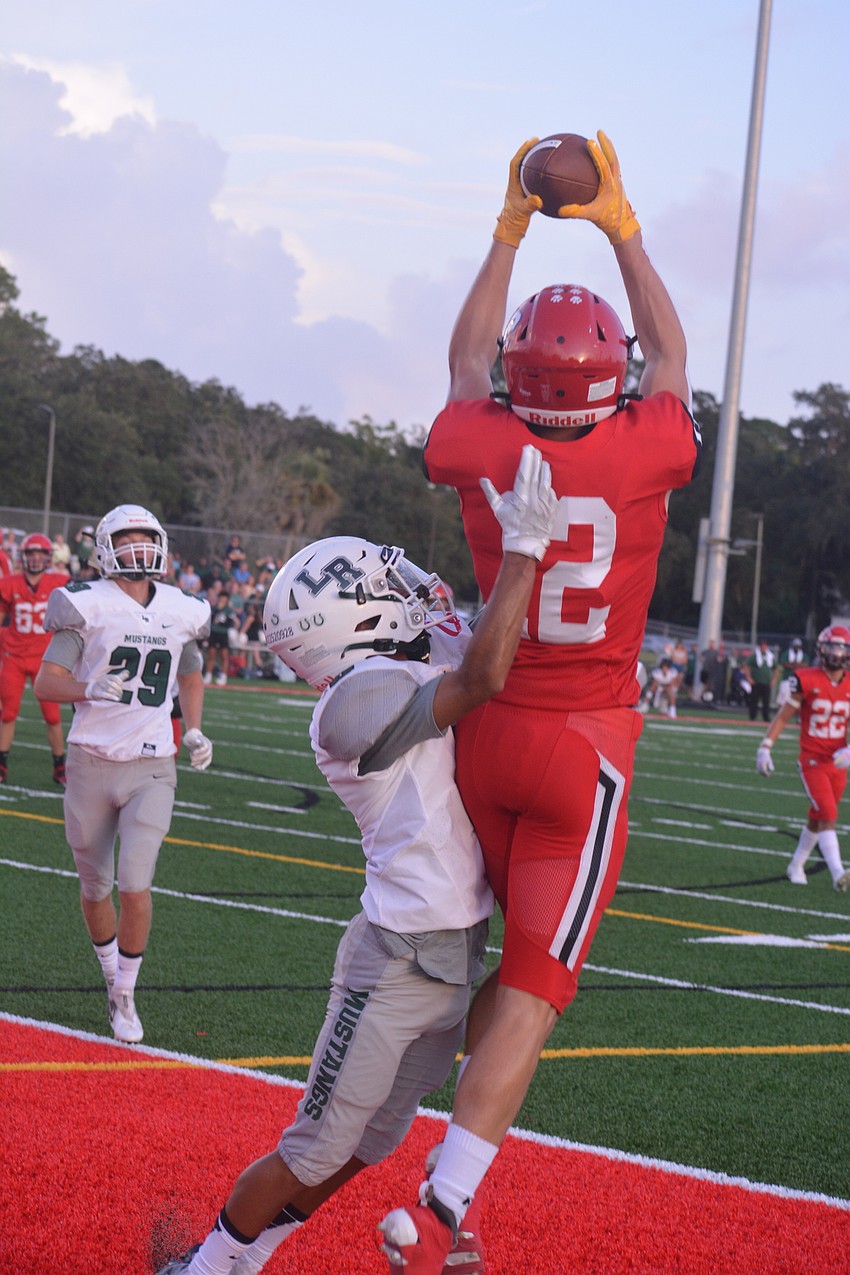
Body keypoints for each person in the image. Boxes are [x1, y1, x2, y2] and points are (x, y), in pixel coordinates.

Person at [379, 130, 701, 1271]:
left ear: (522, 371)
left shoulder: (477, 436)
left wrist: (508, 229)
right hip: (583, 745)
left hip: (482, 725)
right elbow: (668, 353)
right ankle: (442, 1209)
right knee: (531, 985)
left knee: (467, 960)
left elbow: (466, 371)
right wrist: (620, 227)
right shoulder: (647, 445)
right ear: (609, 378)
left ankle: (395, 1132)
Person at [156, 447, 557, 1275]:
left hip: (451, 950)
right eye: (383, 585)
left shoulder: (391, 660)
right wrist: (523, 552)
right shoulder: (351, 704)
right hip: (397, 963)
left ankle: (247, 1252)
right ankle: (205, 1265)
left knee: (370, 1145)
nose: (407, 588)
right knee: (313, 1146)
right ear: (350, 619)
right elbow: (483, 671)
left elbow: (492, 642)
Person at [33, 504, 214, 1044]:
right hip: (91, 760)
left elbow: (191, 676)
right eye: (127, 539)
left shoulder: (181, 610)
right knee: (96, 886)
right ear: (106, 549)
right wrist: (87, 688)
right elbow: (46, 683)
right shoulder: (87, 606)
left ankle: (126, 993)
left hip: (153, 762)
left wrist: (197, 730)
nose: (139, 549)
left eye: (146, 539)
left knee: (136, 881)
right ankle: (110, 976)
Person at [756, 625, 850, 892]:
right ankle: (838, 873)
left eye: (842, 647)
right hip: (812, 760)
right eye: (832, 646)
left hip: (838, 762)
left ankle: (796, 865)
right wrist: (765, 746)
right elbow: (784, 715)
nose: (837, 653)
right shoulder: (806, 679)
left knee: (816, 817)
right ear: (821, 649)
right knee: (829, 813)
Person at [0, 532, 70, 785]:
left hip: (45, 659)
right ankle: (2, 764)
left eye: (41, 553)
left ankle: (60, 766)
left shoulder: (59, 582)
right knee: (7, 714)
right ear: (24, 556)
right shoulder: (10, 583)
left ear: (48, 557)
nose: (36, 558)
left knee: (52, 716)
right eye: (31, 553)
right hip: (14, 657)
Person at [745, 638, 777, 722]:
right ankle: (753, 717)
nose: (764, 647)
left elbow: (776, 669)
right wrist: (749, 678)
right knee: (754, 701)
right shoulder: (755, 656)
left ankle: (766, 717)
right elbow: (746, 666)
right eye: (762, 645)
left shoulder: (770, 656)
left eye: (765, 645)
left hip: (766, 682)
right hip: (756, 682)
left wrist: (773, 680)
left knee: (766, 702)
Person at [776, 636, 807, 707]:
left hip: (799, 680)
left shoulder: (803, 655)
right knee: (784, 699)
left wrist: (792, 664)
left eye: (798, 646)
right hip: (787, 678)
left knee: (798, 699)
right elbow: (785, 664)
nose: (797, 648)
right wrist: (798, 665)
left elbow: (805, 665)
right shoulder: (786, 653)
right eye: (795, 646)